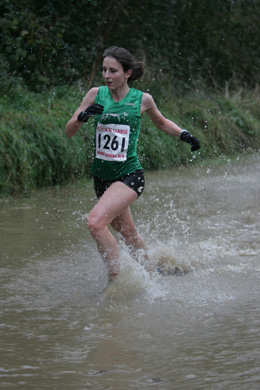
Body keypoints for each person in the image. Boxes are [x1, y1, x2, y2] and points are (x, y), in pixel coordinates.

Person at [65, 46, 200, 279]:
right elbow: (69, 131)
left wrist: (184, 134)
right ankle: (153, 273)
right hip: (102, 178)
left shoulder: (142, 99)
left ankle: (116, 280)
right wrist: (82, 117)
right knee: (129, 235)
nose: (107, 75)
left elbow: (161, 123)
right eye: (104, 70)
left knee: (95, 223)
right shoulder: (95, 95)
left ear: (127, 73)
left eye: (113, 71)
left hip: (129, 175)